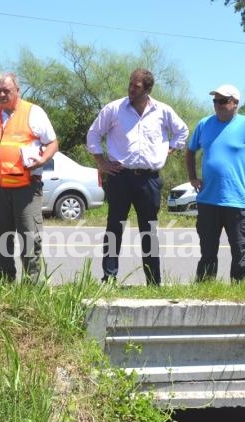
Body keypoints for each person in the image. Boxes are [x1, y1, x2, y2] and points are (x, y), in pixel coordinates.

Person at [87, 68, 189, 285]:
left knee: (149, 229)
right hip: (120, 176)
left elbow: (182, 131)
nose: (131, 89)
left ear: (148, 89)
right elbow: (93, 134)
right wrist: (101, 162)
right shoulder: (114, 109)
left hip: (149, 179)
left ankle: (153, 282)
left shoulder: (162, 111)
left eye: (137, 86)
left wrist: (169, 149)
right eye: (130, 84)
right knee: (114, 226)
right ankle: (109, 278)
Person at [185, 84, 245, 282]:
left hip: (236, 200)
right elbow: (190, 150)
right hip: (208, 200)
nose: (218, 105)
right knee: (207, 251)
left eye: (223, 101)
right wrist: (192, 177)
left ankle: (242, 291)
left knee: (240, 250)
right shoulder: (204, 124)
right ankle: (205, 288)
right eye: (215, 101)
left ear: (235, 103)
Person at [0, 72, 58, 283]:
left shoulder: (34, 113)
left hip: (26, 188)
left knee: (29, 239)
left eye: (6, 90)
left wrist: (42, 160)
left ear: (18, 90)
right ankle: (5, 283)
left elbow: (53, 143)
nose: (1, 94)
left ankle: (31, 289)